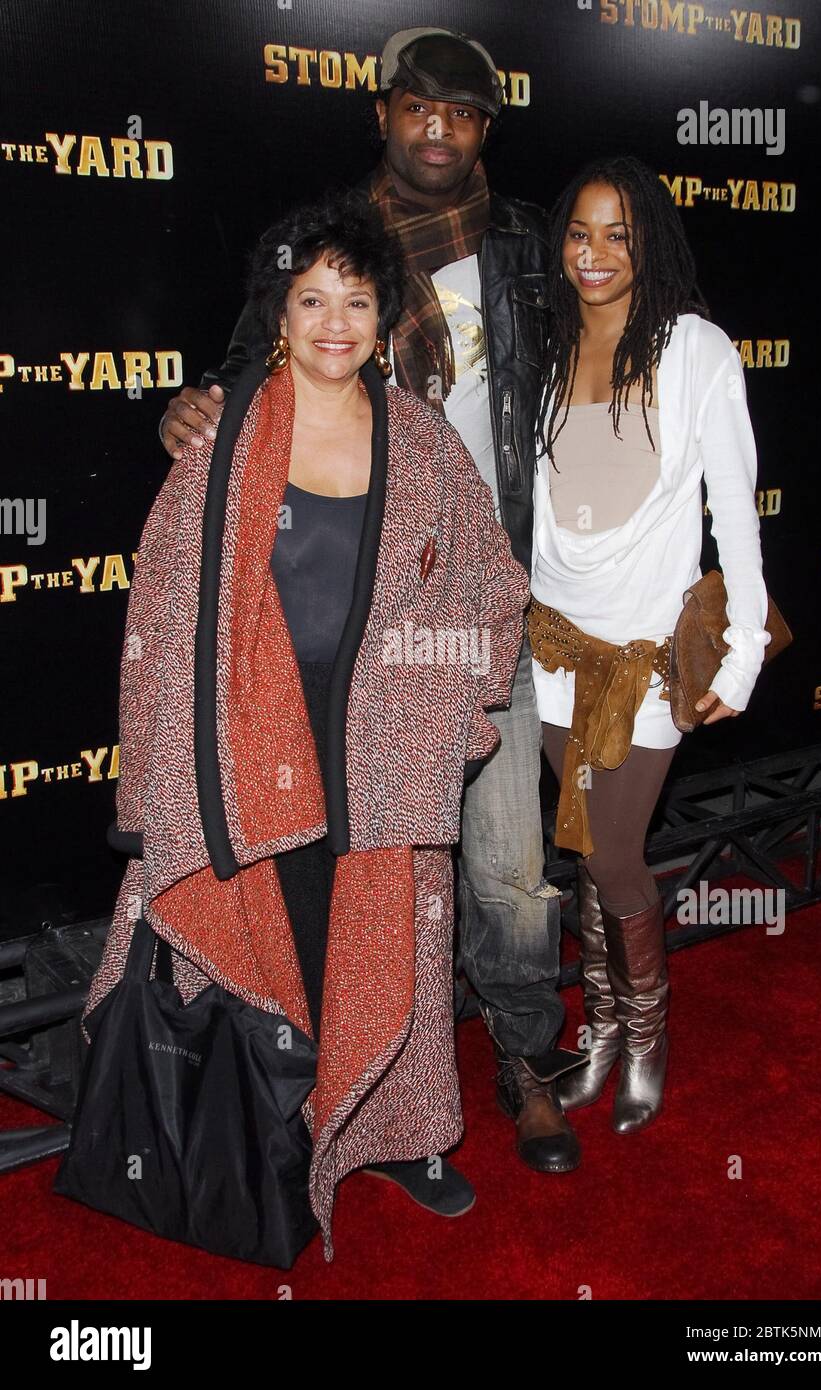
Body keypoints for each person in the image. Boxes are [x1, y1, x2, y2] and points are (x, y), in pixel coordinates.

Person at [156, 27, 587, 1177]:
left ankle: (525, 1058)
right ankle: (360, 1078)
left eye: (462, 111)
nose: (437, 126)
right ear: (383, 115)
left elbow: (601, 370)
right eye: (417, 106)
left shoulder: (528, 245)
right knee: (370, 866)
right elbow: (251, 363)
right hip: (354, 622)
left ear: (485, 127)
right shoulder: (329, 241)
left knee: (504, 863)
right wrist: (197, 403)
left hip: (490, 598)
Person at [82, 191, 529, 1261]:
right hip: (249, 758)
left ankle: (398, 1135)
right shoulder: (223, 436)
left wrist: (442, 712)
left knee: (389, 953)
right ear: (276, 314)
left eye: (358, 300)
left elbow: (493, 586)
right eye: (310, 298)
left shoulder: (421, 441)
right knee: (275, 947)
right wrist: (148, 787)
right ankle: (267, 1124)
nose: (335, 321)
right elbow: (158, 611)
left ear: (385, 319)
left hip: (382, 759)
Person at [530, 156, 770, 1133]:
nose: (593, 254)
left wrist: (743, 647)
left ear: (649, 244)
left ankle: (642, 1038)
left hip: (640, 660)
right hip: (551, 651)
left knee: (616, 857)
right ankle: (596, 1036)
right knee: (589, 858)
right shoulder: (545, 349)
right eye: (579, 233)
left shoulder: (694, 350)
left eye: (617, 234)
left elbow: (735, 513)